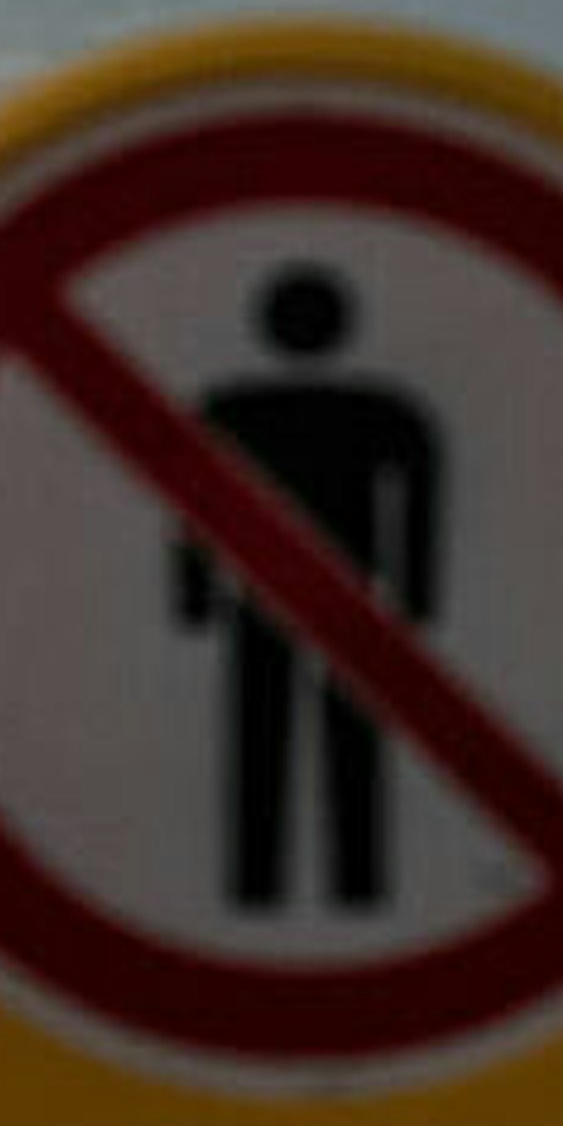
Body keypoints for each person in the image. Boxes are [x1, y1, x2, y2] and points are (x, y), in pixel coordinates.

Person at [171, 263, 443, 910]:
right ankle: (354, 886)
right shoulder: (385, 414)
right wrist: (415, 597)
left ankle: (259, 887)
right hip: (345, 604)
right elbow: (420, 506)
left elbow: (193, 515)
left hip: (274, 603)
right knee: (345, 750)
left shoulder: (231, 411)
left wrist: (196, 593)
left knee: (261, 746)